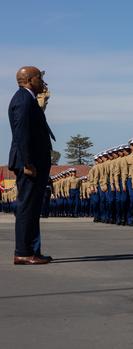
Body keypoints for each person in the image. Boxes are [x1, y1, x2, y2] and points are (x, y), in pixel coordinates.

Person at [8, 66, 56, 265]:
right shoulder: (22, 100)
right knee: (27, 208)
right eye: (39, 78)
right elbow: (22, 134)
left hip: (34, 162)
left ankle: (32, 250)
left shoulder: (29, 99)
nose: (42, 81)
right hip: (30, 164)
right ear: (29, 79)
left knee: (33, 208)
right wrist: (27, 162)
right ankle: (23, 252)